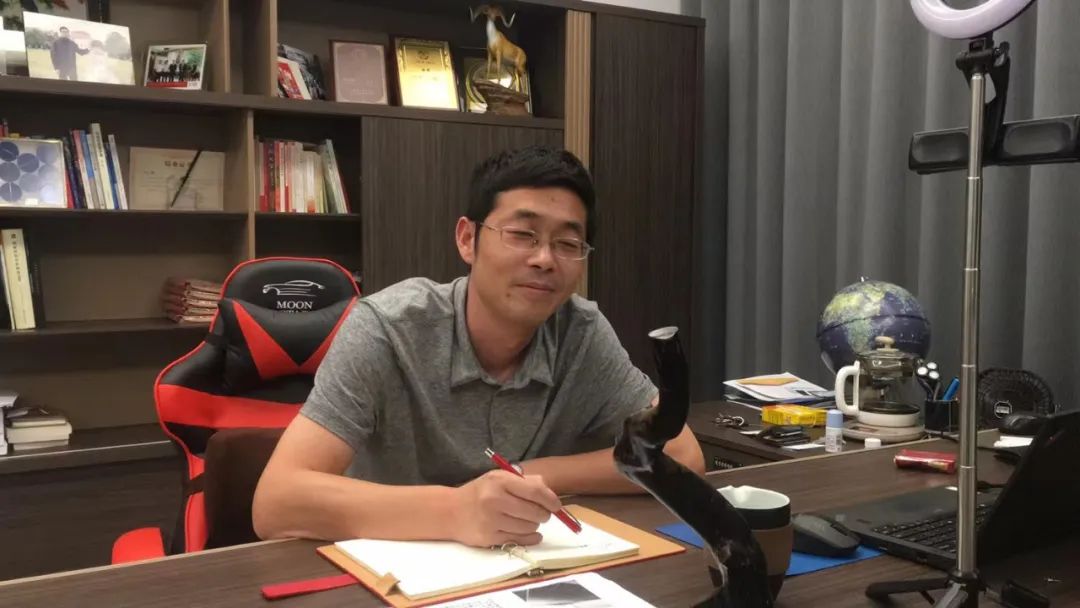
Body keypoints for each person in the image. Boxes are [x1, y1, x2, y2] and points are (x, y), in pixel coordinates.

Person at [252, 145, 704, 548]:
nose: (544, 259)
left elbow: (683, 457)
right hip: (392, 575)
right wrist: (457, 510)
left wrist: (526, 475)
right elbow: (276, 502)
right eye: (523, 235)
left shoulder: (580, 333)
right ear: (468, 239)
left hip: (522, 571)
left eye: (567, 243)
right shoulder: (387, 329)